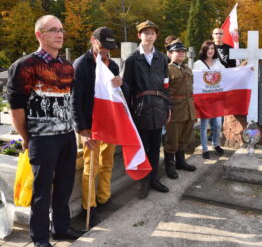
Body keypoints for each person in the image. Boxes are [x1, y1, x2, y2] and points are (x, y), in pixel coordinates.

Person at [6, 15, 83, 247]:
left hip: (66, 136)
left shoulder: (66, 65)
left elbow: (70, 101)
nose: (60, 34)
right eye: (53, 30)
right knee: (41, 192)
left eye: (61, 29)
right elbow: (16, 107)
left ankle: (61, 228)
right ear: (39, 35)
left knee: (64, 186)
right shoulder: (25, 66)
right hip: (42, 138)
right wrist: (26, 137)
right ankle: (39, 238)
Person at [72, 27, 122, 227]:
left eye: (109, 48)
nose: (105, 52)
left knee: (108, 163)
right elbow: (74, 101)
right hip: (90, 125)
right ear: (93, 41)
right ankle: (89, 207)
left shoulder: (114, 65)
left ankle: (104, 197)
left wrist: (121, 84)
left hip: (109, 122)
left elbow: (118, 94)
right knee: (91, 167)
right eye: (102, 47)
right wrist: (83, 130)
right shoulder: (81, 65)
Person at [122, 20, 170, 199]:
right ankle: (143, 182)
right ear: (139, 35)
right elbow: (126, 87)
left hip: (158, 108)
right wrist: (127, 113)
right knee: (143, 147)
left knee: (155, 147)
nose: (149, 36)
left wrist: (168, 106)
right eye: (145, 32)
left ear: (156, 36)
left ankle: (154, 179)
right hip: (140, 110)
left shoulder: (162, 58)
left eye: (152, 33)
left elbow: (166, 85)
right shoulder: (132, 59)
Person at [163, 39, 197, 179]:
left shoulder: (187, 68)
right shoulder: (167, 69)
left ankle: (181, 161)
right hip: (175, 109)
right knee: (172, 138)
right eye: (178, 51)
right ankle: (169, 165)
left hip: (188, 108)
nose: (182, 53)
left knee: (185, 137)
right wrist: (167, 108)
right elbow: (165, 90)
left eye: (183, 51)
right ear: (170, 54)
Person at [193, 40, 225, 159]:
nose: (210, 51)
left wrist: (245, 69)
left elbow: (227, 74)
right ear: (204, 50)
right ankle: (204, 148)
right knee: (204, 125)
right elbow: (195, 81)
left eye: (212, 48)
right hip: (204, 99)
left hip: (216, 100)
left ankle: (216, 144)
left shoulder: (218, 63)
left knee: (217, 124)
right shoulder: (198, 64)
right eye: (208, 49)